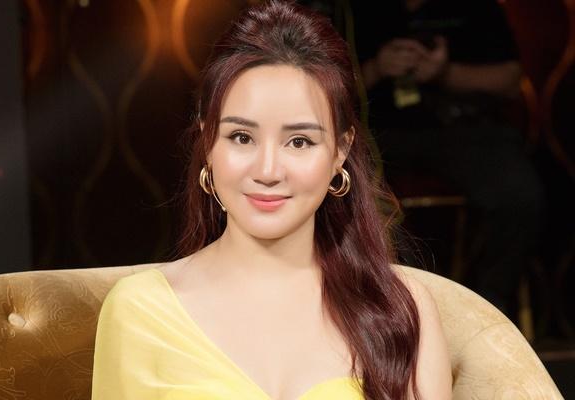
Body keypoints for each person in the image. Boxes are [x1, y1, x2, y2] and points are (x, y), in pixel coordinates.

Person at [91, 1, 452, 399]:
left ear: (340, 151)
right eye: (241, 137)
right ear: (208, 142)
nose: (267, 170)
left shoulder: (401, 310)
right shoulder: (142, 310)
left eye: (299, 141)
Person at [352, 0, 545, 320]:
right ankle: (400, 311)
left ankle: (487, 312)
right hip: (377, 132)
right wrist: (375, 68)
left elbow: (510, 81)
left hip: (463, 131)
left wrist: (445, 73)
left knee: (519, 193)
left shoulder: (477, 7)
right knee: (351, 193)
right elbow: (315, 83)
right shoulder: (353, 9)